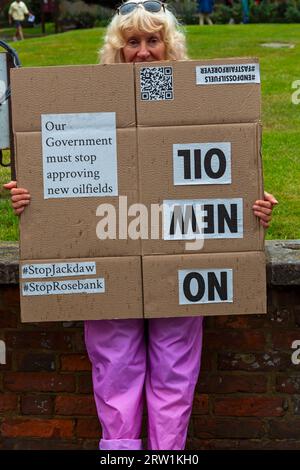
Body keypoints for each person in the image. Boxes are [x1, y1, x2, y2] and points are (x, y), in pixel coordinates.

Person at [4, 0, 278, 450]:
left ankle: (167, 455)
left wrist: (254, 208)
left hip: (181, 256)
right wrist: (27, 196)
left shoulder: (200, 104)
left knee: (176, 368)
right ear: (119, 47)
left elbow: (233, 171)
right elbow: (54, 176)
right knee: (114, 367)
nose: (144, 51)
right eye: (133, 41)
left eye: (154, 40)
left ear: (169, 46)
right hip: (107, 258)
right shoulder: (83, 103)